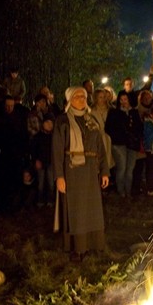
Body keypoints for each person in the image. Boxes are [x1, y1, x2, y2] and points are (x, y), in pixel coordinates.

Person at [52, 86, 110, 262]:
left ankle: (94, 244)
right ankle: (77, 248)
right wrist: (59, 176)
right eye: (77, 97)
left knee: (92, 210)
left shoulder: (91, 120)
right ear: (70, 100)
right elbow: (56, 150)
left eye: (83, 97)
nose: (81, 99)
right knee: (76, 211)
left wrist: (105, 171)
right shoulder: (62, 121)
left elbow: (100, 147)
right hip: (72, 171)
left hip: (91, 171)